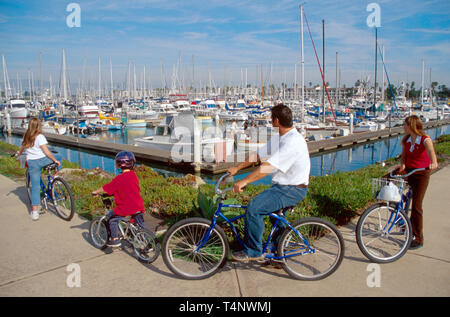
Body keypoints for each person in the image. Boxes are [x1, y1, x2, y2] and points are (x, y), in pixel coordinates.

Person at [227, 104, 310, 262]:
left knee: (254, 209)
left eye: (271, 118)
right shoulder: (281, 137)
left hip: (292, 189)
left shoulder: (293, 142)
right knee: (275, 219)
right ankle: (280, 254)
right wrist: (237, 168)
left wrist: (244, 182)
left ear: (276, 121)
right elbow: (258, 156)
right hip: (284, 186)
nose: (270, 120)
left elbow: (267, 167)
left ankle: (253, 251)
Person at [398, 115, 438, 250]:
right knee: (387, 181)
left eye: (405, 125)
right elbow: (403, 156)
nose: (404, 127)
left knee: (416, 206)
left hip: (421, 173)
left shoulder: (425, 139)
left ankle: (418, 238)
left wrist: (434, 161)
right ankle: (400, 209)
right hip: (409, 171)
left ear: (412, 126)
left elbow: (430, 150)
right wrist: (402, 166)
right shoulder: (407, 140)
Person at [91, 151, 146, 248]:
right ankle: (145, 242)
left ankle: (115, 240)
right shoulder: (134, 175)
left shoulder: (119, 178)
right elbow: (125, 189)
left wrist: (96, 191)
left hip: (126, 207)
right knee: (139, 225)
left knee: (112, 219)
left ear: (119, 164)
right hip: (139, 205)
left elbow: (107, 188)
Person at [14, 118, 62, 221]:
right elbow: (47, 152)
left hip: (32, 163)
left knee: (35, 187)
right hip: (43, 160)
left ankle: (34, 212)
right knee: (59, 157)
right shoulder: (40, 137)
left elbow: (22, 147)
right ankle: (56, 175)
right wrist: (55, 160)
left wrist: (18, 153)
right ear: (38, 126)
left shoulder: (26, 136)